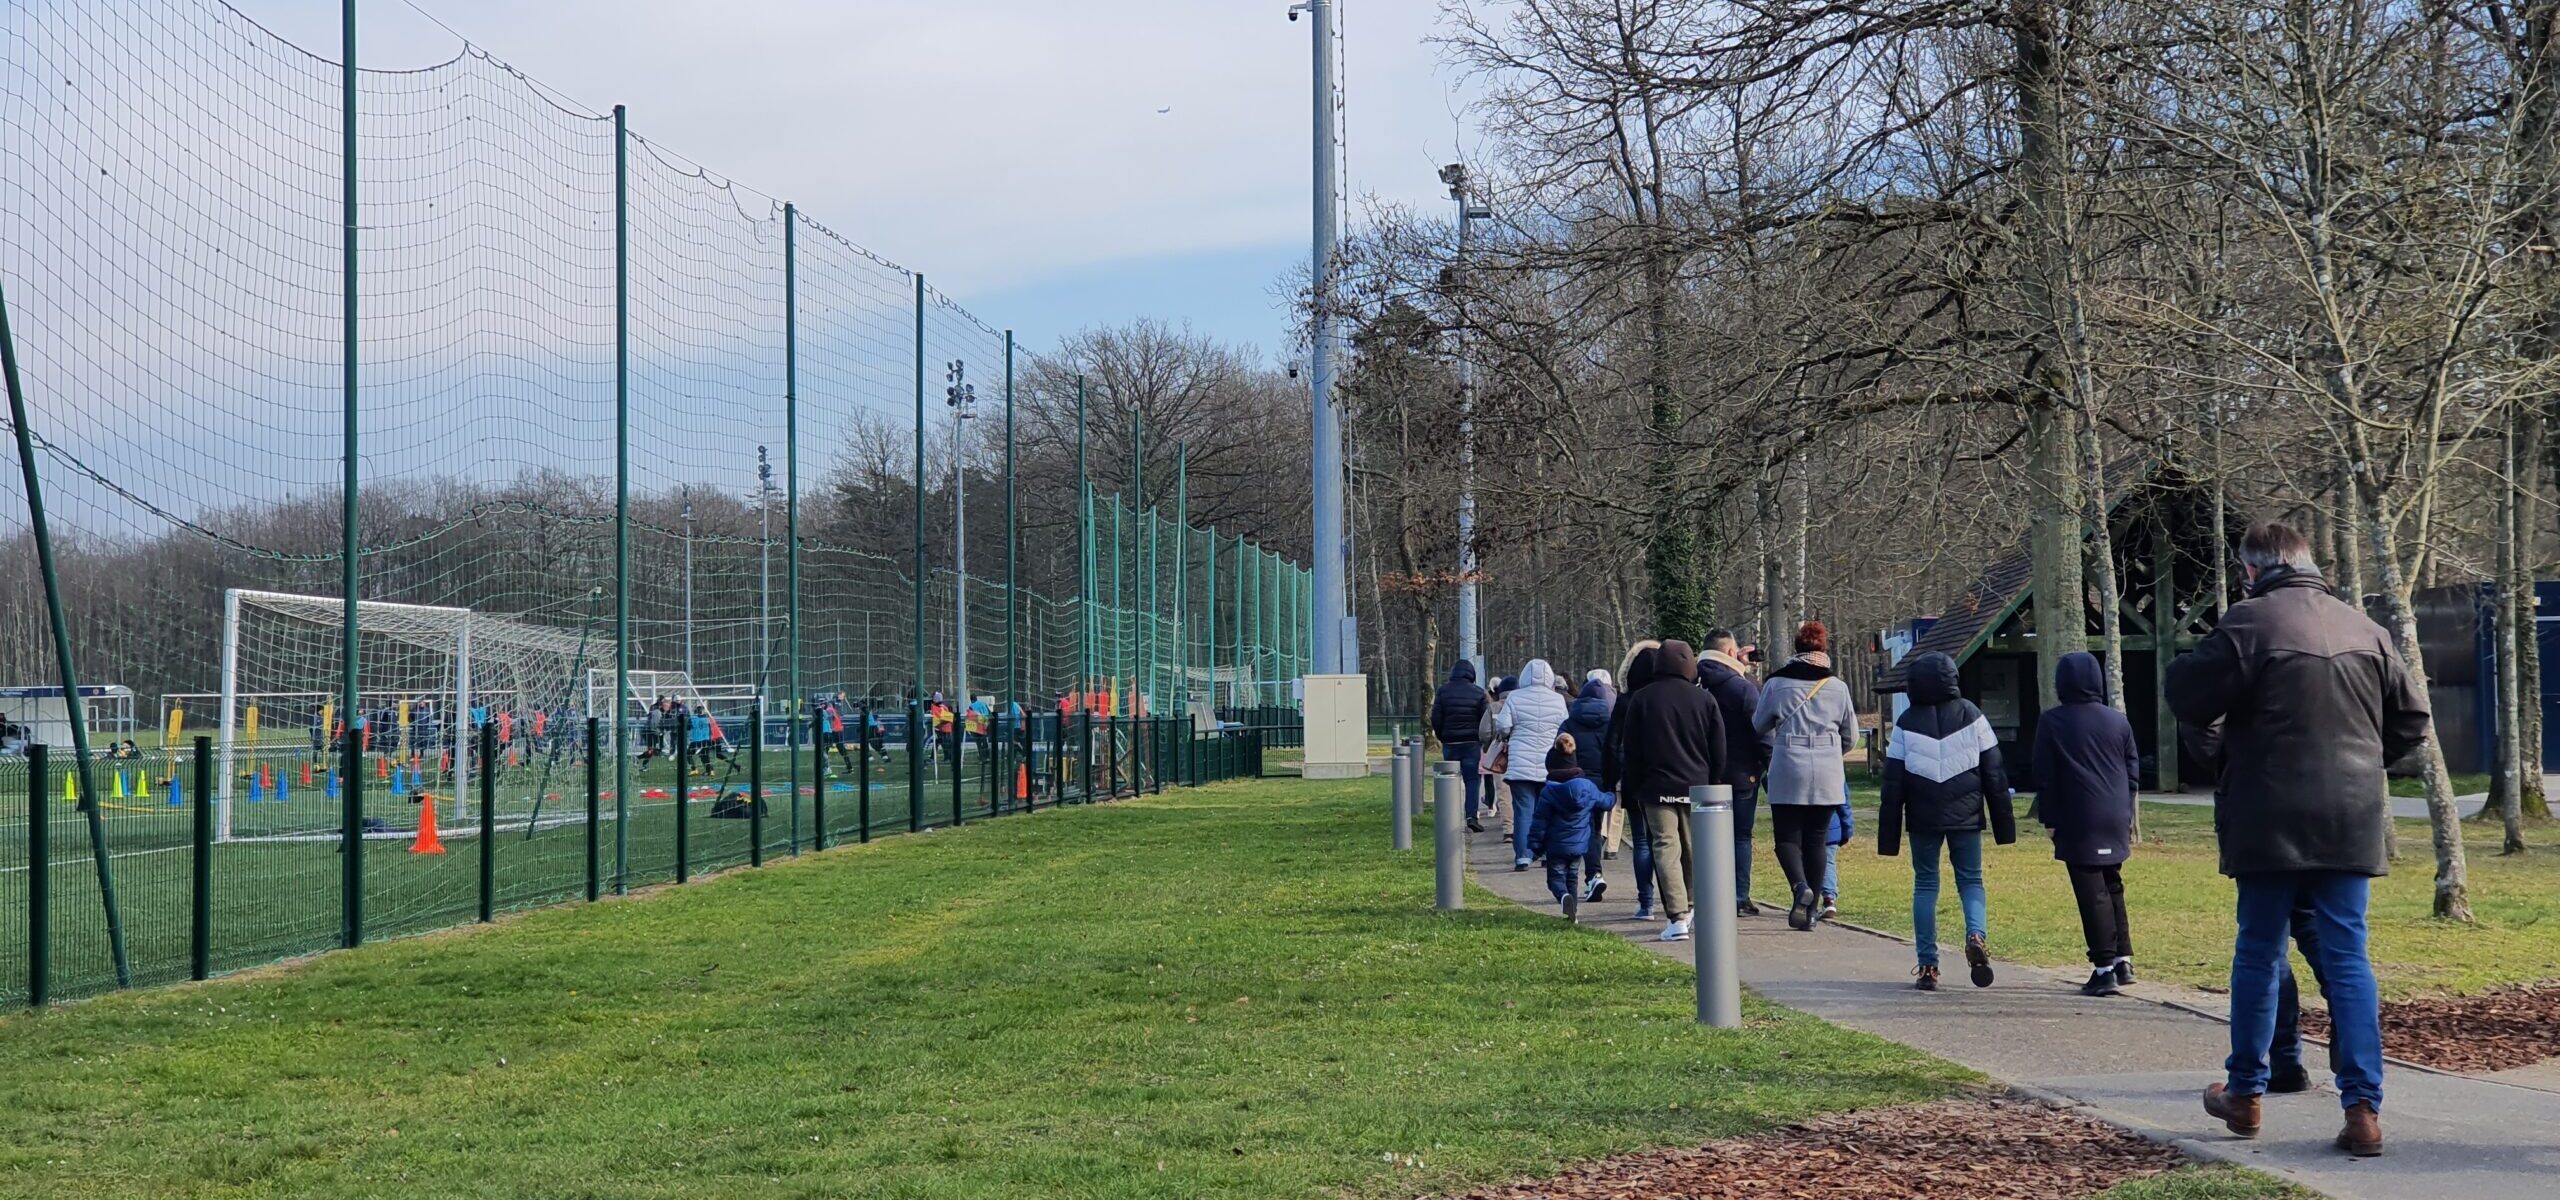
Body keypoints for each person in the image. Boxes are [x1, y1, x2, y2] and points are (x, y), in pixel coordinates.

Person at [2167, 520, 2421, 1158]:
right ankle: (2363, 1109)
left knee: (2258, 951)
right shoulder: (2369, 631)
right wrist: (2363, 764)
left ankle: (2246, 1095)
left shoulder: (2249, 625)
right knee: (2347, 957)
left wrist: (2228, 757)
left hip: (2268, 814)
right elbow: (2412, 722)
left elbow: (2186, 696)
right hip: (2352, 815)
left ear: (2252, 570)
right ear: (2308, 562)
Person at [1877, 649, 2014, 988]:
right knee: (1970, 881)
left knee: (1925, 884)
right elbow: (1995, 776)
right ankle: (1976, 936)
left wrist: (1888, 836)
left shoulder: (1906, 722)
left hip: (1923, 816)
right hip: (1966, 815)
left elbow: (1892, 784)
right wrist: (2004, 827)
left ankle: (1927, 966)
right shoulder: (1973, 715)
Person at [2033, 650, 2140, 997]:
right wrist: (2125, 807)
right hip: (2115, 813)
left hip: (2077, 814)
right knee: (2113, 885)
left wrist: (2049, 819)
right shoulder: (2117, 720)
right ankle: (2124, 960)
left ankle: (2104, 966)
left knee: (2091, 890)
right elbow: (2132, 768)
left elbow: (2045, 775)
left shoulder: (2052, 722)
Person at [1616, 639, 1727, 942]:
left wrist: (1631, 789)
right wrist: (1714, 783)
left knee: (1665, 847)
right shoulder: (1704, 700)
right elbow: (1719, 748)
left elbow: (1632, 751)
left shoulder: (1642, 699)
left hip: (1655, 787)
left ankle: (1677, 916)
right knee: (1693, 848)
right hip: (1697, 786)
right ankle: (1691, 906)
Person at [1755, 621, 1861, 932]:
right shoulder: (1838, 687)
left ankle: (1800, 886)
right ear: (1823, 650)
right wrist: (1829, 751)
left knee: (1787, 837)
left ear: (1798, 649)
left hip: (1788, 764)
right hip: (1827, 770)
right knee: (1817, 839)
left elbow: (1759, 725)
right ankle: (1811, 912)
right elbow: (1851, 736)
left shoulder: (1776, 684)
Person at [1697, 630, 1768, 916]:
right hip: (1741, 773)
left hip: (1703, 774)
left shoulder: (1695, 683)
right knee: (1740, 836)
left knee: (1708, 837)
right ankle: (1739, 896)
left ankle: (1711, 892)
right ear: (1730, 653)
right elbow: (1760, 729)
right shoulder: (1742, 688)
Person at [1600, 641, 1662, 920]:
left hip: (1634, 778)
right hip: (1666, 777)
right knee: (1667, 840)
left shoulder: (1625, 701)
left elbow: (1612, 744)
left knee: (1641, 841)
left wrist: (1610, 781)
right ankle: (1677, 901)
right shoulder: (1665, 696)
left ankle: (1645, 902)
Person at [1496, 659, 1571, 871]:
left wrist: (1508, 735)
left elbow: (1502, 725)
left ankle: (1523, 856)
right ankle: (1547, 852)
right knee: (1548, 810)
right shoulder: (1557, 700)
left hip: (1521, 764)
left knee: (1523, 811)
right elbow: (1564, 728)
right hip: (1550, 764)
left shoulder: (1514, 697)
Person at [1535, 738, 1613, 921]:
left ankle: (1563, 897)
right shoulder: (1587, 787)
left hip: (1555, 846)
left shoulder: (1548, 792)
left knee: (1555, 879)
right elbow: (1606, 802)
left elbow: (1539, 822)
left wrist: (1536, 847)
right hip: (1579, 843)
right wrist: (1610, 792)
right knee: (1572, 876)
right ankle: (1573, 914)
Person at [1559, 672, 1615, 900]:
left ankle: (1589, 875)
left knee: (1578, 828)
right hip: (1601, 782)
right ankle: (1594, 874)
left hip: (1576, 780)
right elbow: (1613, 753)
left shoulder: (1569, 722)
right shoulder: (1609, 723)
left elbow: (1560, 752)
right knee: (1595, 828)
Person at [1428, 660, 1489, 832]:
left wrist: (1442, 736)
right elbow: (1484, 721)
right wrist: (1480, 739)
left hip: (1451, 742)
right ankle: (1471, 815)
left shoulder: (1443, 692)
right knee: (1472, 780)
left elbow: (1436, 717)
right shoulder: (1478, 693)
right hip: (1471, 743)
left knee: (1450, 779)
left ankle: (1450, 816)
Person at [1822, 790, 1852, 920]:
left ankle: (1805, 898)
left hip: (1806, 825)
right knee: (1828, 863)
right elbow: (1844, 802)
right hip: (1831, 825)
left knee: (1806, 862)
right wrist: (1847, 829)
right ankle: (1829, 898)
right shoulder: (1836, 771)